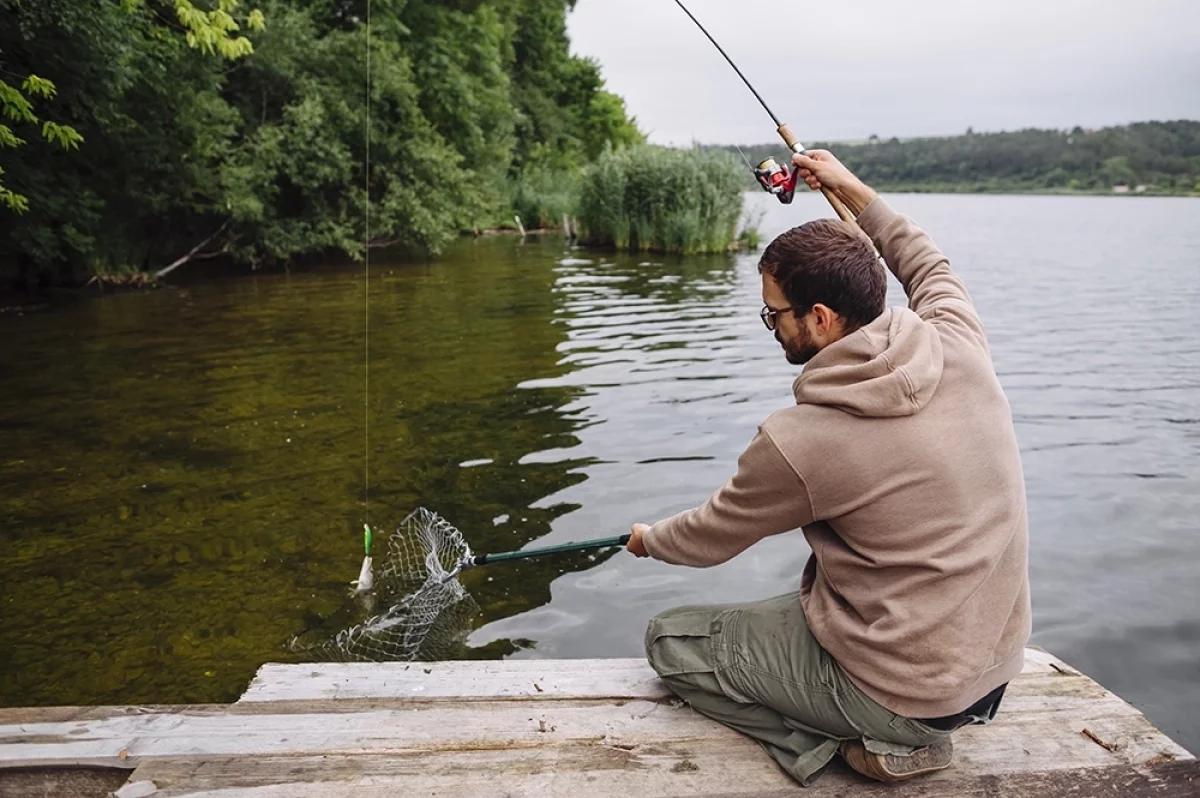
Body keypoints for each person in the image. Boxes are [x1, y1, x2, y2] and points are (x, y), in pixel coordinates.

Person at [626, 150, 1031, 785]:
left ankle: (843, 748)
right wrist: (851, 188)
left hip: (907, 693)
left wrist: (649, 541)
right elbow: (924, 261)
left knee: (672, 642)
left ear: (820, 317)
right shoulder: (958, 340)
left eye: (774, 313)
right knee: (796, 602)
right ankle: (895, 720)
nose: (769, 325)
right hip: (993, 671)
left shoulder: (802, 441)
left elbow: (709, 536)